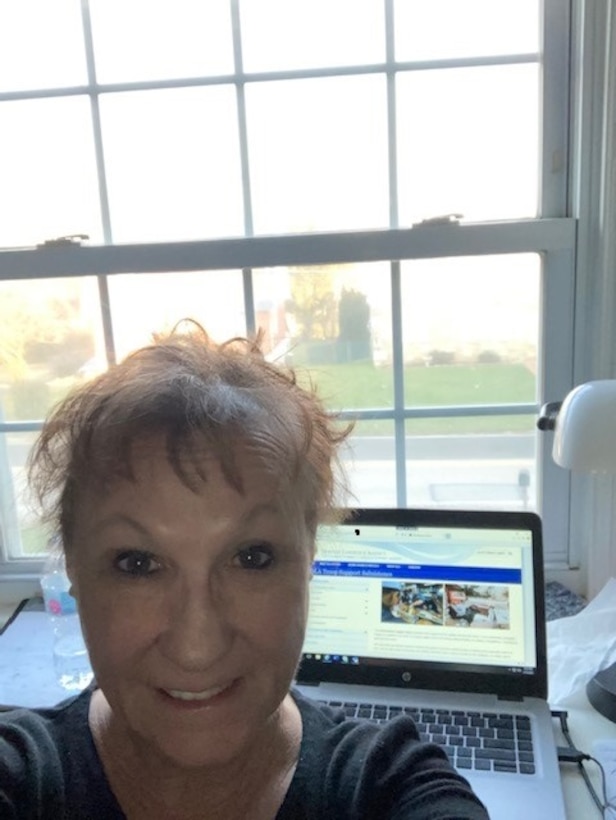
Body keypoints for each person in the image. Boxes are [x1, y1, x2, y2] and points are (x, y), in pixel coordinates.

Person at [0, 322, 489, 819]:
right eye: (138, 564)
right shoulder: (19, 782)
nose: (197, 648)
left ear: (310, 556)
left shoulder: (390, 787)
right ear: (74, 571)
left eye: (251, 558)